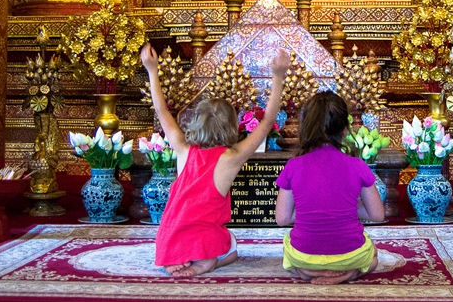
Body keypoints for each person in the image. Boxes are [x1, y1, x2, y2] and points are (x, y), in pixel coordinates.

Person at [141, 43, 290, 277]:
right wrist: (278, 76)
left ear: (196, 121)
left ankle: (176, 258)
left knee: (184, 231)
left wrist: (151, 69)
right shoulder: (231, 156)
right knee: (232, 248)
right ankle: (209, 261)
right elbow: (266, 122)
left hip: (170, 238)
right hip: (204, 240)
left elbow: (162, 112)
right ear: (232, 125)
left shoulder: (182, 147)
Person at [274, 91, 385, 285]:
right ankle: (348, 274)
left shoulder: (293, 165)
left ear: (306, 128)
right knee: (373, 256)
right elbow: (377, 215)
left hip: (304, 256)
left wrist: (313, 210)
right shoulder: (357, 165)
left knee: (287, 250)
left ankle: (307, 272)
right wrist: (345, 207)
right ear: (344, 129)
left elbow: (282, 219)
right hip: (349, 256)